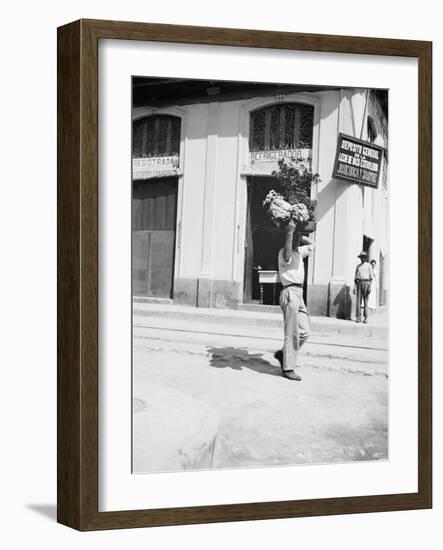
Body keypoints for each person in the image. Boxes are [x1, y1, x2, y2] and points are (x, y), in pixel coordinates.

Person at [274, 219, 314, 381]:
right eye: (295, 238)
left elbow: (313, 244)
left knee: (305, 331)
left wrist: (299, 233)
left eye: (298, 238)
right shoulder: (284, 252)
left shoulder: (299, 251)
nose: (297, 240)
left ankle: (283, 354)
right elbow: (288, 253)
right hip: (290, 292)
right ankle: (288, 368)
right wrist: (290, 232)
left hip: (299, 293)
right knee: (292, 332)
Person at [353, 251, 373, 323]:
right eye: (361, 257)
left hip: (366, 283)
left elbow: (371, 278)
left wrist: (370, 287)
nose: (362, 259)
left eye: (363, 257)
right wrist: (354, 287)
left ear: (366, 258)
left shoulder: (369, 265)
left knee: (366, 301)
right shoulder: (358, 266)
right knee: (358, 301)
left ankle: (366, 318)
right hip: (359, 283)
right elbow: (355, 278)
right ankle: (358, 317)